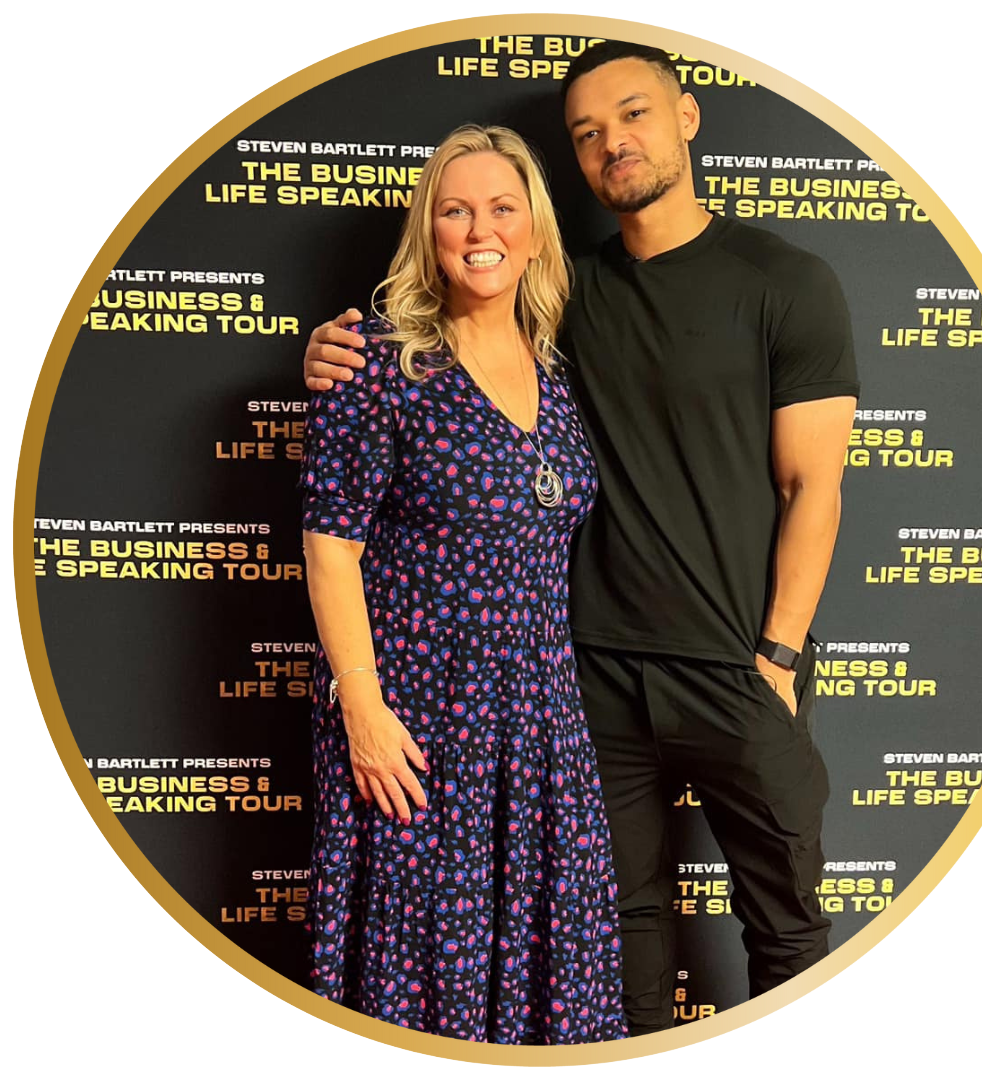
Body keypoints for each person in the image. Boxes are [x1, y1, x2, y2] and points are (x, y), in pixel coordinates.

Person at [304, 42, 858, 1037]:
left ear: (687, 117)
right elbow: (343, 518)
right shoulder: (489, 327)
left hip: (716, 673)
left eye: (634, 116)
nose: (613, 143)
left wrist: (778, 654)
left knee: (784, 927)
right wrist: (335, 351)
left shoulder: (764, 286)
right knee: (613, 936)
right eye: (589, 134)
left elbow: (813, 483)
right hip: (557, 688)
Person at [299, 123, 626, 1044]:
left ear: (533, 230)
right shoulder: (378, 359)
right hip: (413, 720)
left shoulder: (557, 367)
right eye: (455, 210)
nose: (480, 229)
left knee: (541, 972)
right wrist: (362, 709)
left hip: (539, 722)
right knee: (417, 971)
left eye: (502, 208)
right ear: (427, 232)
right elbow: (330, 550)